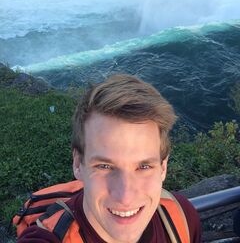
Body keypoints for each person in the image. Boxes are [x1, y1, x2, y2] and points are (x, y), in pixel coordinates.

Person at [18, 74, 201, 242]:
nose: (125, 197)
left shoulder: (181, 217)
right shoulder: (49, 238)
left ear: (163, 167)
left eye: (144, 166)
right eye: (104, 166)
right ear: (77, 164)